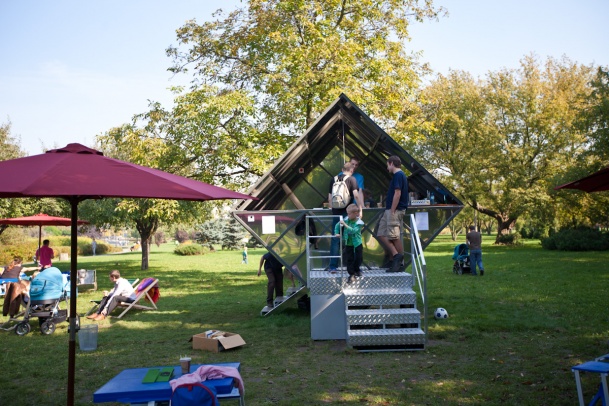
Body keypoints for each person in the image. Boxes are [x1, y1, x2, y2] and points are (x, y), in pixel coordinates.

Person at [327, 162, 363, 271]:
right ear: (351, 171)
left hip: (336, 213)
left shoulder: (333, 180)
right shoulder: (352, 180)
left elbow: (329, 198)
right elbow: (356, 195)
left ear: (342, 169)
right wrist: (360, 209)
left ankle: (333, 267)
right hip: (349, 214)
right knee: (352, 238)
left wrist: (332, 208)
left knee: (335, 239)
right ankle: (354, 267)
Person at [377, 155, 409, 273]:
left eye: (387, 164)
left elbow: (397, 193)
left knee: (394, 236)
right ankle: (396, 255)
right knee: (381, 233)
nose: (387, 167)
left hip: (394, 210)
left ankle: (399, 263)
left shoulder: (399, 175)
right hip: (389, 210)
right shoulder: (397, 176)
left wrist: (392, 210)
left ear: (391, 163)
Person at [334, 204, 364, 283]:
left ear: (355, 213)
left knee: (359, 258)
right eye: (347, 213)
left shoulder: (359, 223)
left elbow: (353, 230)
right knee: (349, 258)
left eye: (349, 214)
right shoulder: (346, 219)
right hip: (348, 243)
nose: (348, 215)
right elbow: (337, 225)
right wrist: (336, 232)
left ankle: (357, 270)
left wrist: (345, 225)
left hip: (357, 243)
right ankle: (351, 274)